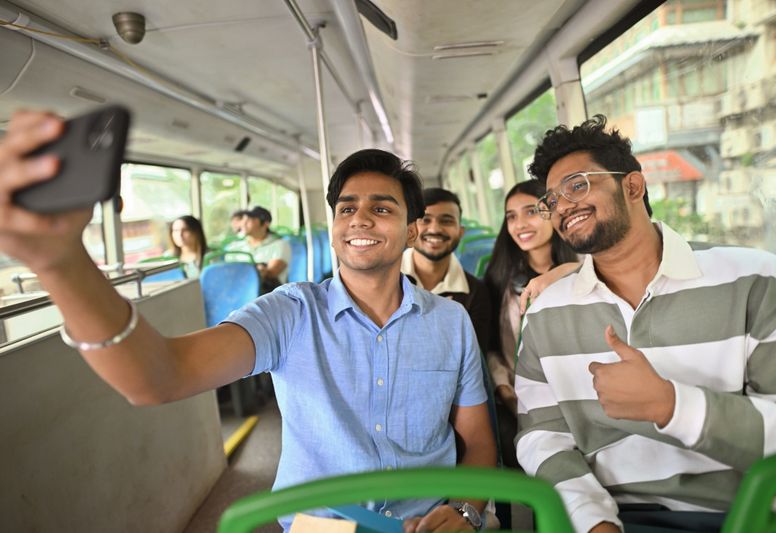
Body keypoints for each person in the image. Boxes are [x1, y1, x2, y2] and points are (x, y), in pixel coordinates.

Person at [0, 114, 495, 533]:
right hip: (323, 522)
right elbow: (158, 377)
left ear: (412, 230)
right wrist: (60, 261)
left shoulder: (451, 321)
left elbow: (476, 437)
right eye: (347, 209)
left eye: (381, 208)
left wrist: (466, 508)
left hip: (428, 521)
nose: (360, 220)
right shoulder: (290, 312)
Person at [515, 115, 776, 533]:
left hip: (751, 516)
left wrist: (672, 406)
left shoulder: (757, 280)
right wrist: (592, 521)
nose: (563, 207)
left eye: (577, 185)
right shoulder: (546, 313)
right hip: (615, 518)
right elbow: (542, 436)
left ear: (632, 186)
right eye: (552, 200)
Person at [482, 180, 578, 468]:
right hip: (523, 395)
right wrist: (503, 386)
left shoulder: (585, 266)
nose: (520, 224)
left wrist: (558, 274)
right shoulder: (500, 276)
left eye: (531, 212)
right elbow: (492, 347)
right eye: (511, 216)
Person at [400, 187, 492, 355]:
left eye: (447, 221)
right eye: (425, 220)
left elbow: (472, 358)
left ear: (460, 232)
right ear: (411, 229)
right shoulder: (385, 280)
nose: (435, 229)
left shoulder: (476, 293)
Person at [226, 206, 291, 293]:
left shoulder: (280, 245)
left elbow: (271, 273)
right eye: (243, 219)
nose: (244, 223)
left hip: (266, 294)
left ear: (265, 224)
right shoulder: (234, 246)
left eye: (250, 219)